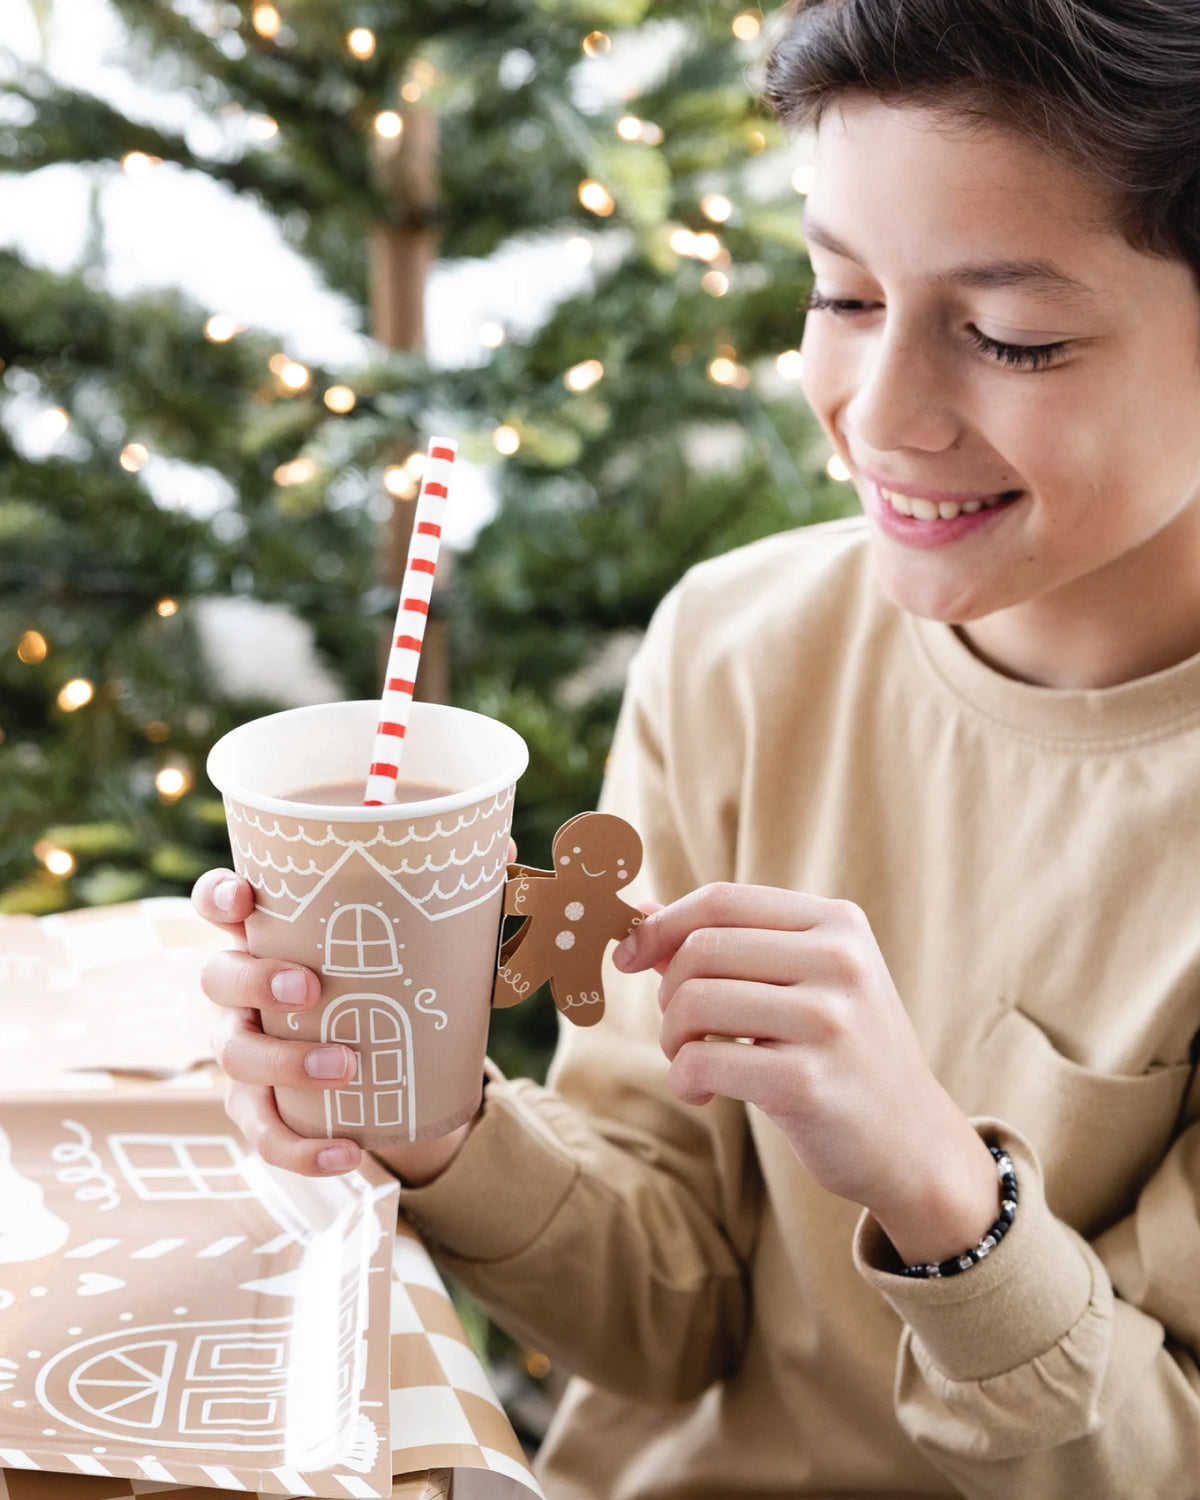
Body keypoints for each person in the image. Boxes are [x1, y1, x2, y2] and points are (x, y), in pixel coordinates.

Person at [192, 1, 1200, 1494]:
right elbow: (670, 1313)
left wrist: (942, 1193)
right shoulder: (739, 647)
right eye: (843, 297)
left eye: (1011, 338)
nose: (881, 414)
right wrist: (430, 1117)